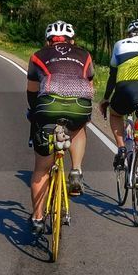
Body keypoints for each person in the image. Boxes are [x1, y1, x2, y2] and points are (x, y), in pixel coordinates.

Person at [26, 20, 94, 234]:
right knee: (80, 127)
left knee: (41, 168)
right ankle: (76, 170)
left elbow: (31, 92)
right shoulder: (85, 55)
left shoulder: (38, 55)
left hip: (48, 105)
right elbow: (89, 85)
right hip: (79, 105)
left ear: (48, 41)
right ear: (72, 40)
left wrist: (35, 114)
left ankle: (37, 218)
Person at [100, 18, 138, 207]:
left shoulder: (119, 45)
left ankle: (121, 148)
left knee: (115, 113)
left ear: (129, 34)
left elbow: (113, 75)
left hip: (126, 91)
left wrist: (105, 98)